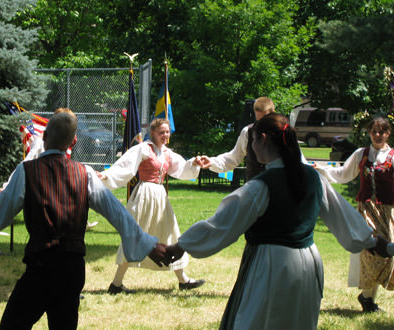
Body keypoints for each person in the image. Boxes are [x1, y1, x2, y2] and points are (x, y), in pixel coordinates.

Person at [164, 113, 390, 330]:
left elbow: (220, 226)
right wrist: (375, 243)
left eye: (252, 141)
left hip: (271, 264)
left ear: (262, 140)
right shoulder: (313, 178)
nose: (251, 148)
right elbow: (345, 219)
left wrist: (180, 245)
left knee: (258, 321)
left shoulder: (261, 186)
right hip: (309, 264)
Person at [0, 113, 168, 329]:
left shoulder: (27, 172)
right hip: (72, 268)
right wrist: (149, 245)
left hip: (41, 267)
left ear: (45, 136)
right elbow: (117, 213)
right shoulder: (84, 173)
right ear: (74, 141)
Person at [98, 118, 205, 294]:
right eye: (162, 132)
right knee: (135, 235)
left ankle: (183, 279)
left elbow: (182, 169)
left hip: (160, 197)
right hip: (144, 195)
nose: (165, 135)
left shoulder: (168, 153)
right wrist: (107, 176)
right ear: (153, 133)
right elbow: (125, 167)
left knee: (169, 233)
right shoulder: (143, 149)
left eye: (167, 132)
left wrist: (193, 162)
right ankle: (116, 284)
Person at [314, 116, 394, 313]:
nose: (378, 135)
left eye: (382, 131)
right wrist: (322, 171)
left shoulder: (393, 156)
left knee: (388, 254)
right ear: (369, 133)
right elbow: (343, 174)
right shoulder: (362, 154)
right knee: (372, 251)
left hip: (388, 211)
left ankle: (367, 298)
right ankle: (368, 301)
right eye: (374, 131)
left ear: (388, 133)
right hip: (367, 209)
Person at [3, 108, 97, 229]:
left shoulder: (84, 172)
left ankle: (81, 223)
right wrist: (7, 186)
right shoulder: (36, 149)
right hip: (43, 181)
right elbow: (27, 161)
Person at [199, 96, 275, 179]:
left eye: (265, 119)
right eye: (259, 120)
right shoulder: (248, 132)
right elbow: (233, 158)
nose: (261, 125)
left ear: (273, 113)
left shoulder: (284, 132)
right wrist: (212, 162)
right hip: (254, 187)